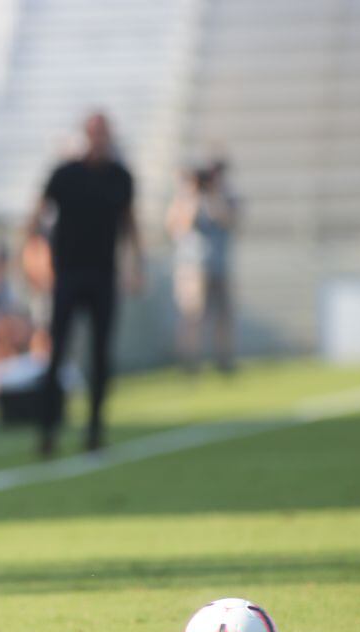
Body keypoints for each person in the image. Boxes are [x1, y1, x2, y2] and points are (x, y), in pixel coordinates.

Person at [27, 112, 142, 454]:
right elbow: (35, 219)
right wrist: (36, 261)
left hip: (103, 275)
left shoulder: (121, 177)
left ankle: (94, 430)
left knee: (101, 355)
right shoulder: (65, 174)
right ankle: (48, 430)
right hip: (68, 275)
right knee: (57, 353)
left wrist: (136, 265)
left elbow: (129, 222)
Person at [165, 160, 238, 372]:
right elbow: (176, 226)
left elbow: (228, 220)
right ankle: (190, 361)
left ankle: (223, 361)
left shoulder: (220, 198)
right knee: (192, 316)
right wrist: (190, 195)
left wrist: (213, 195)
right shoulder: (184, 199)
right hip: (191, 267)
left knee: (222, 316)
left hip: (219, 265)